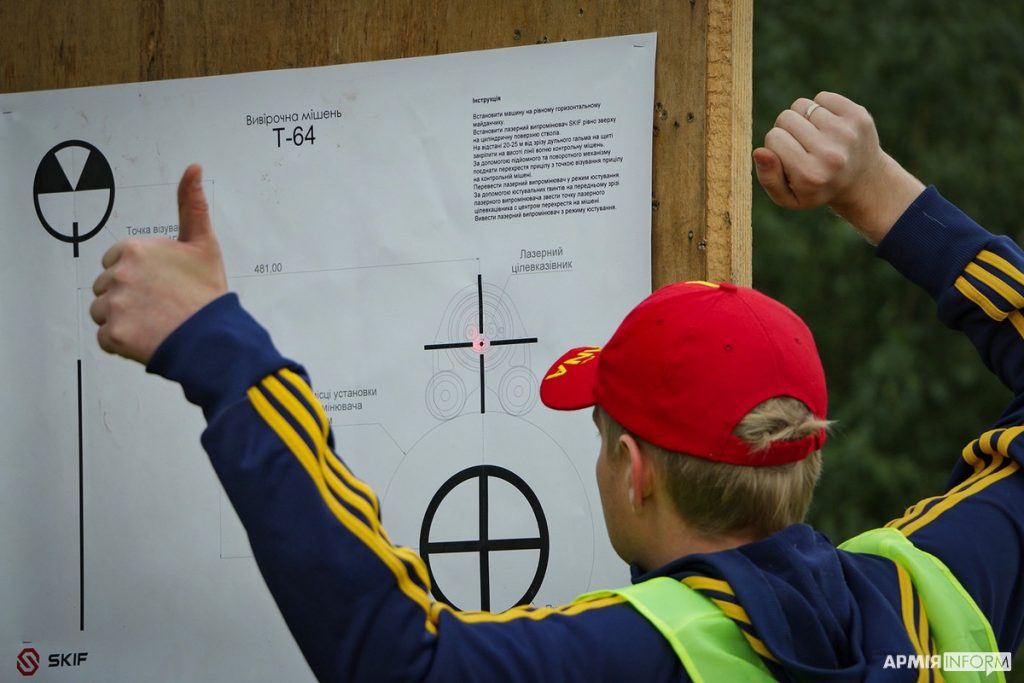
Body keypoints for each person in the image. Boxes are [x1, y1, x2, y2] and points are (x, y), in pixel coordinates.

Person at [89, 91, 1024, 681]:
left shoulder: (638, 653)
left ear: (633, 470)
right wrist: (881, 194)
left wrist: (218, 348)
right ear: (800, 453)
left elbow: (395, 655)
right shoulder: (934, 608)